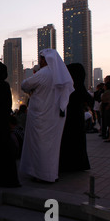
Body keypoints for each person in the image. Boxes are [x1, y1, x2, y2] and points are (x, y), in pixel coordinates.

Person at [19, 49, 74, 183]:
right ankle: (50, 173)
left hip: (41, 115)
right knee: (52, 146)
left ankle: (40, 174)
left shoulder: (43, 73)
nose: (40, 62)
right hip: (56, 116)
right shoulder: (60, 74)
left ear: (45, 60)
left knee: (39, 144)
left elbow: (25, 84)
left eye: (41, 59)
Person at [59, 63, 92, 172]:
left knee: (67, 140)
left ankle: (67, 164)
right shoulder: (80, 87)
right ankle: (79, 164)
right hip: (77, 117)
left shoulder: (67, 87)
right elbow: (90, 100)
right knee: (78, 141)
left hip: (67, 118)